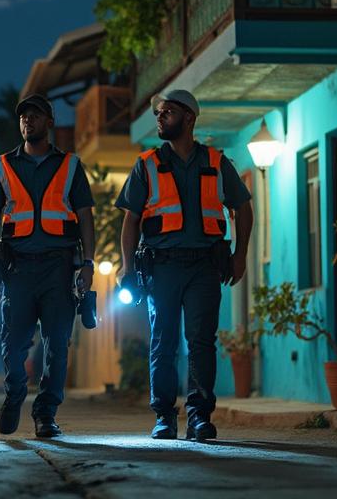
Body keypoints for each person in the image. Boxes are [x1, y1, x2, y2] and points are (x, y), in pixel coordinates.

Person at [116, 89, 253, 442]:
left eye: (167, 112)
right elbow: (131, 221)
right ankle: (163, 417)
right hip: (161, 268)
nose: (159, 117)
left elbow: (243, 208)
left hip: (205, 268)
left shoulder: (217, 162)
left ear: (189, 118)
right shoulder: (146, 165)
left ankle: (199, 418)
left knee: (202, 343)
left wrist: (240, 256)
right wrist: (126, 267)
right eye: (158, 112)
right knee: (163, 343)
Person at [0, 93, 95, 438]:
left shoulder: (71, 166)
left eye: (35, 116)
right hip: (17, 269)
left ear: (49, 122)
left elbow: (84, 217)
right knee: (13, 341)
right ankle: (15, 392)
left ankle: (46, 413)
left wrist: (89, 263)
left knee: (57, 344)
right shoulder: (2, 166)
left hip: (59, 267)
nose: (27, 121)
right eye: (23, 117)